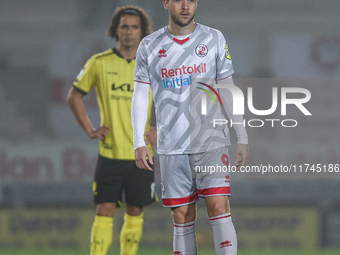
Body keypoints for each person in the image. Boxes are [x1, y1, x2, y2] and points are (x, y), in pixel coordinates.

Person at [131, 1, 249, 255]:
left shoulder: (214, 38)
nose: (185, 5)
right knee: (182, 214)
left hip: (212, 140)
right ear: (165, 3)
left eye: (191, 0)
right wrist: (138, 142)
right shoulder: (150, 45)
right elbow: (140, 95)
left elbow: (227, 87)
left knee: (219, 206)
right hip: (172, 144)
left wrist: (241, 134)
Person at [67, 6, 157, 255]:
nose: (129, 32)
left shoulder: (153, 65)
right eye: (124, 27)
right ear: (116, 31)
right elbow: (74, 96)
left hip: (142, 156)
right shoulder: (99, 62)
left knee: (135, 210)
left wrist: (160, 129)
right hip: (110, 153)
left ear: (142, 32)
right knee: (104, 209)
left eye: (134, 27)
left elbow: (173, 101)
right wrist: (90, 129)